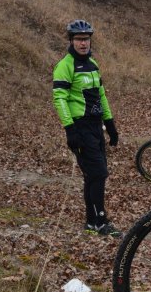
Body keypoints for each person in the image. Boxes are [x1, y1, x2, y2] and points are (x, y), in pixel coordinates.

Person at [52, 19, 121, 238]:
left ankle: (92, 222)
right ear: (71, 41)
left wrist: (110, 125)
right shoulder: (65, 65)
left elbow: (100, 95)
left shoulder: (93, 64)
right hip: (80, 127)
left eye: (86, 39)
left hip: (95, 126)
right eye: (79, 39)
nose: (83, 43)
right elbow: (59, 98)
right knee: (98, 174)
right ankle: (100, 221)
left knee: (92, 176)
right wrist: (69, 129)